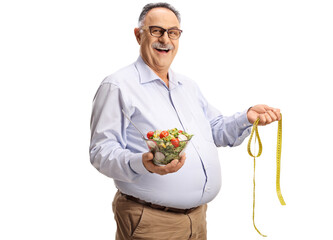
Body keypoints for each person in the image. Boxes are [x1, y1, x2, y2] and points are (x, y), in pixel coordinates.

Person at [89, 2, 281, 240]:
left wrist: (246, 118)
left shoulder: (188, 86)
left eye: (173, 32)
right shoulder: (118, 86)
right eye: (156, 30)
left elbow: (214, 130)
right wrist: (142, 163)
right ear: (139, 35)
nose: (165, 40)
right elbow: (101, 152)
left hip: (197, 220)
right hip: (150, 221)